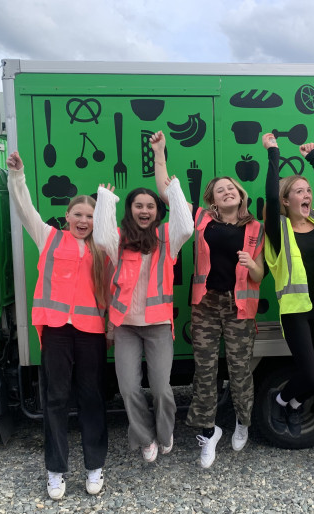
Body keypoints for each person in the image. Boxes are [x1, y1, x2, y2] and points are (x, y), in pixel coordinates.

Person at [155, 135, 265, 468]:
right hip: (205, 304)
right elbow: (166, 191)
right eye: (220, 190)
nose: (227, 191)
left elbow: (260, 276)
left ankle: (243, 421)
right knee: (204, 369)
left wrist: (251, 265)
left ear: (241, 193)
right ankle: (208, 431)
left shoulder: (257, 227)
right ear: (212, 199)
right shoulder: (201, 219)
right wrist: (160, 153)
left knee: (240, 369)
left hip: (240, 307)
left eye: (231, 187)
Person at [6, 151, 109, 500]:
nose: (83, 220)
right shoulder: (48, 237)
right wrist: (17, 177)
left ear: (97, 221)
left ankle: (94, 466)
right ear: (66, 216)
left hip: (92, 332)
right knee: (56, 399)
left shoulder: (104, 247)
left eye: (90, 216)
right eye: (78, 214)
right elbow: (24, 210)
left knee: (92, 398)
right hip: (56, 330)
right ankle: (56, 471)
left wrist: (107, 203)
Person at [93, 131, 194, 464]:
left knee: (163, 389)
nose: (145, 210)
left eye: (150, 205)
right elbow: (100, 233)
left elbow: (187, 224)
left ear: (157, 211)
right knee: (129, 389)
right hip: (125, 327)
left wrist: (174, 187)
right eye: (139, 205)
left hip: (158, 326)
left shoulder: (167, 238)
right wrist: (106, 201)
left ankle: (165, 434)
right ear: (131, 210)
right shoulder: (118, 241)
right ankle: (144, 437)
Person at [262, 133, 314, 438]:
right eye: (299, 191)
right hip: (295, 310)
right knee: (309, 373)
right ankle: (281, 399)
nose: (307, 194)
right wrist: (273, 153)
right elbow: (270, 197)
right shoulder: (277, 227)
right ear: (287, 200)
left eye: (308, 190)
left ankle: (292, 403)